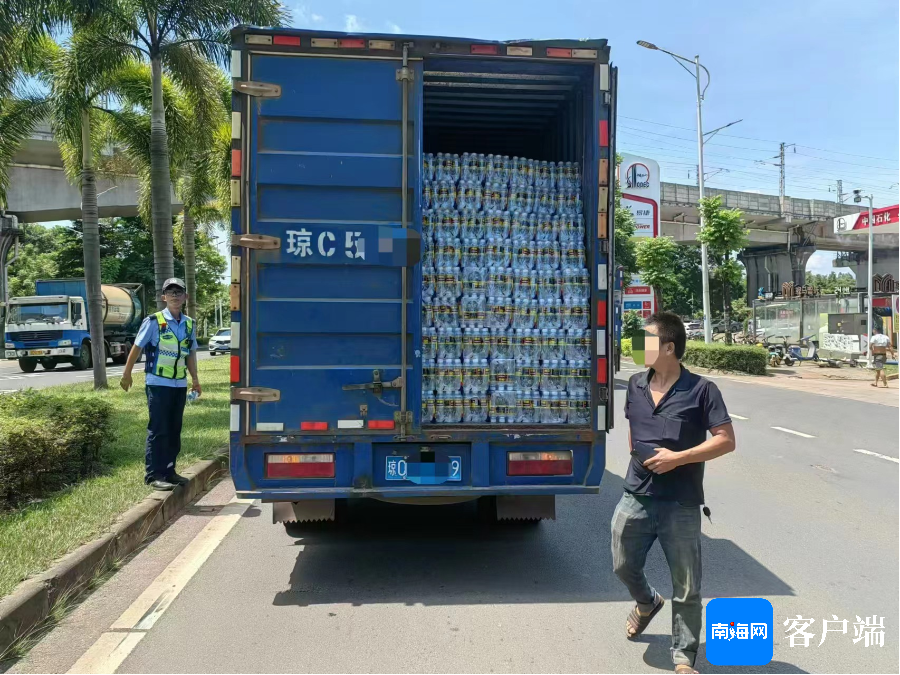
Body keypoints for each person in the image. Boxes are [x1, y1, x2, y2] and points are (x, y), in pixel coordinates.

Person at [611, 312, 736, 675]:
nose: (637, 346)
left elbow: (726, 441)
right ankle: (647, 602)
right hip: (636, 494)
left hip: (680, 502)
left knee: (686, 586)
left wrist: (678, 458)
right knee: (622, 564)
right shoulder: (635, 384)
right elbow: (635, 430)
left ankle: (683, 658)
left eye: (644, 341)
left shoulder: (702, 390)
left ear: (668, 347)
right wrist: (639, 455)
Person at [120, 278, 201, 491]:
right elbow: (137, 347)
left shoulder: (189, 324)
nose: (174, 295)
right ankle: (153, 475)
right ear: (163, 297)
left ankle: (169, 471)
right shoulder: (154, 321)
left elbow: (190, 354)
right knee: (159, 429)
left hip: (179, 384)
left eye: (178, 292)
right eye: (170, 292)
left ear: (185, 297)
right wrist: (127, 374)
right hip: (158, 383)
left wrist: (195, 380)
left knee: (174, 429)